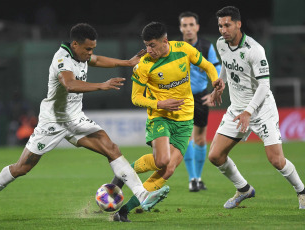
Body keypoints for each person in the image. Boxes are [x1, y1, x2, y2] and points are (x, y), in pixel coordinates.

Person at [0, 23, 170, 220]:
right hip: (52, 122)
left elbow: (97, 59)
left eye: (92, 48)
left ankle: (142, 195)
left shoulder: (81, 54)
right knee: (22, 167)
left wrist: (127, 63)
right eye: (88, 49)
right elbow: (70, 85)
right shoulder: (62, 59)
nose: (90, 52)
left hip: (76, 120)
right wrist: (102, 85)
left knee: (112, 149)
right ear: (75, 44)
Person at [113, 21, 224, 222]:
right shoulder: (144, 64)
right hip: (160, 115)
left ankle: (123, 212)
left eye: (152, 45)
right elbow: (136, 98)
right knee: (161, 161)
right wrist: (160, 104)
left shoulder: (183, 49)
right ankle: (122, 173)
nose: (148, 50)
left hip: (185, 119)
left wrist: (215, 79)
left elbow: (207, 65)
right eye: (146, 45)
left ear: (165, 41)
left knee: (169, 169)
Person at [208, 6, 305, 209]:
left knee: (276, 160)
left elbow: (264, 86)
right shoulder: (221, 43)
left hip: (261, 110)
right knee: (215, 156)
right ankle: (244, 189)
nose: (223, 30)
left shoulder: (255, 50)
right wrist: (220, 82)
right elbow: (227, 63)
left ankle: (302, 191)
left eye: (227, 25)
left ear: (238, 24)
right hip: (237, 110)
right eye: (220, 26)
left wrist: (248, 111)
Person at [179, 11, 222, 192]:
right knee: (187, 137)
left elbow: (216, 67)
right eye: (185, 25)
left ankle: (198, 177)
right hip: (182, 98)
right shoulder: (176, 48)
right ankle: (192, 179)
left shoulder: (205, 46)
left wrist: (214, 91)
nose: (188, 29)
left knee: (201, 139)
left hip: (201, 96)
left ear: (197, 27)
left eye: (191, 25)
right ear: (181, 28)